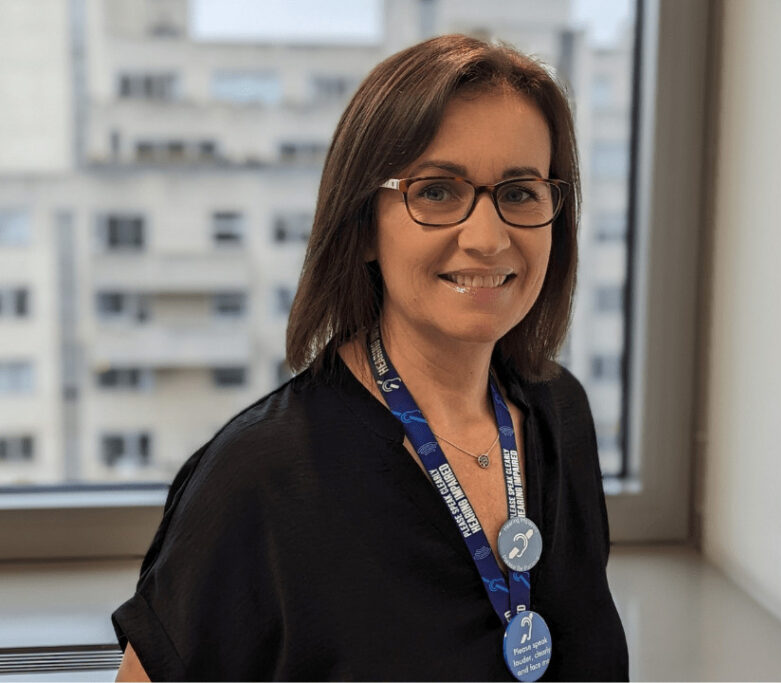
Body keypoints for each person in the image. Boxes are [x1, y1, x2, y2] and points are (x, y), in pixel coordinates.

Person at [112, 34, 629, 681]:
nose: (489, 237)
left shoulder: (562, 413)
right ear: (363, 226)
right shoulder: (259, 478)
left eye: (520, 192)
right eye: (438, 191)